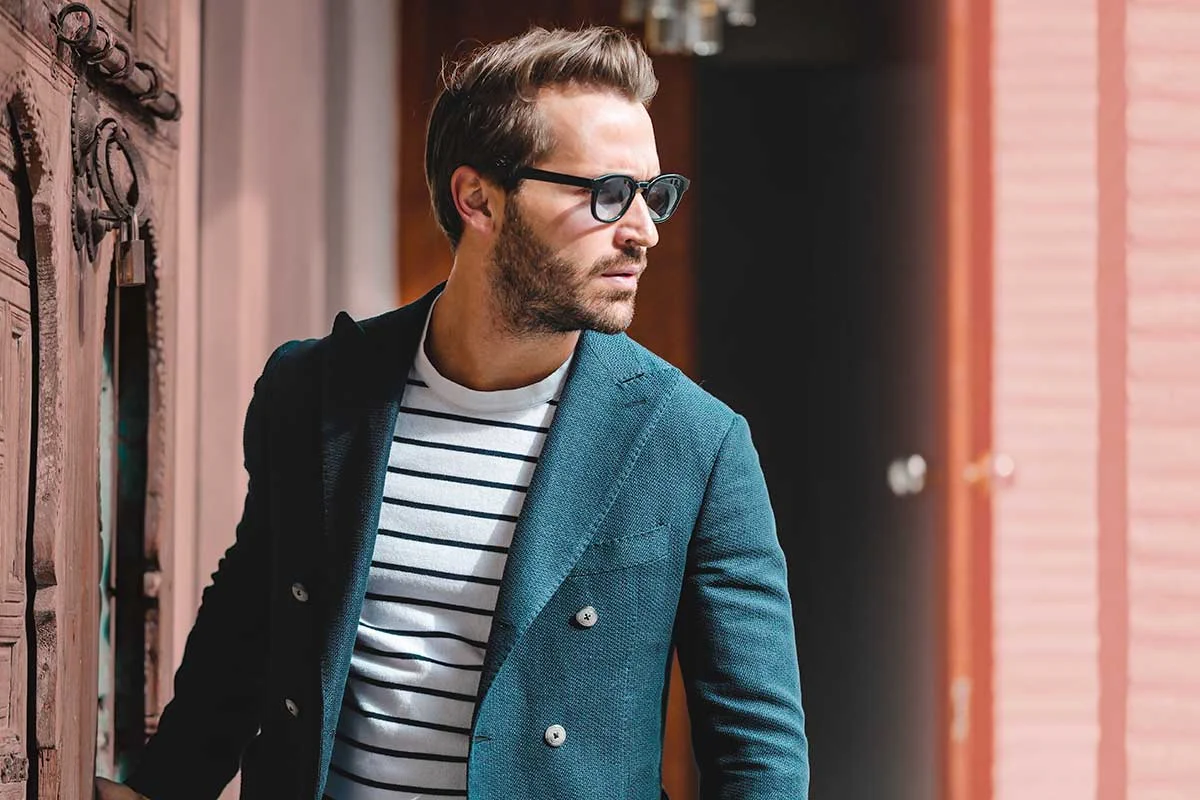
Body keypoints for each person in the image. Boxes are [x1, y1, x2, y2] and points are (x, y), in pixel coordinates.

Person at [95, 24, 808, 800]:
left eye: (653, 196)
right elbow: (247, 629)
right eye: (608, 195)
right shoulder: (314, 391)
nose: (642, 232)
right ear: (479, 199)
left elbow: (759, 755)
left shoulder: (694, 444)